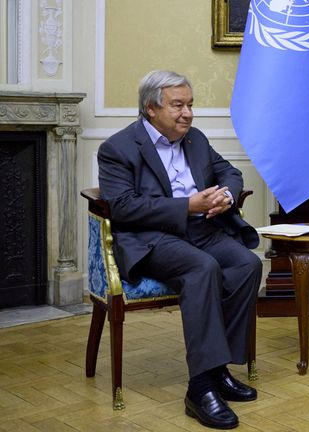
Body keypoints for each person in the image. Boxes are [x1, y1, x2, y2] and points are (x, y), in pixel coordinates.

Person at [98, 70, 262, 429]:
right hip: (152, 237)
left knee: (246, 264)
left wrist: (225, 196)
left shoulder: (196, 139)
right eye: (178, 105)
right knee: (202, 268)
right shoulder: (117, 148)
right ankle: (199, 388)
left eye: (190, 105)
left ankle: (218, 370)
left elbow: (231, 173)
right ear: (151, 108)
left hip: (203, 230)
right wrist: (187, 206)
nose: (188, 113)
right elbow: (123, 207)